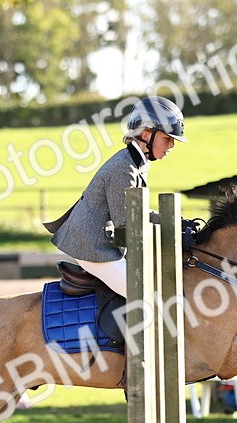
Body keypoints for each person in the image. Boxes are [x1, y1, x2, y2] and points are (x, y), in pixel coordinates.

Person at [43, 96, 186, 297]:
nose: (172, 145)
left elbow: (138, 211)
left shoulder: (135, 163)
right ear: (146, 135)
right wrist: (168, 231)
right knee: (146, 296)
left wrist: (174, 222)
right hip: (92, 246)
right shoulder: (123, 167)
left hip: (101, 241)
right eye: (167, 139)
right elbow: (126, 222)